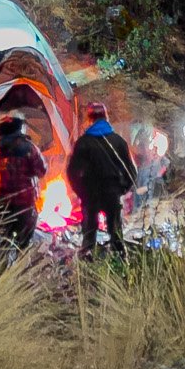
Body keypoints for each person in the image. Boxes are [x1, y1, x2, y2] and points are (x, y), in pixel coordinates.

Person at [67, 102, 136, 263]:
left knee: (89, 234)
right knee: (115, 233)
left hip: (90, 194)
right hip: (112, 192)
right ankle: (121, 263)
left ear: (89, 119)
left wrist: (80, 191)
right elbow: (131, 170)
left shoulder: (83, 142)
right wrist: (123, 189)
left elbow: (72, 171)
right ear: (106, 117)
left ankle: (86, 265)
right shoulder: (118, 141)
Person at [0, 114, 47, 253]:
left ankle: (0, 271)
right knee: (24, 243)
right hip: (24, 202)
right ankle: (20, 270)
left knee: (4, 239)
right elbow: (41, 171)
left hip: (1, 202)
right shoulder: (28, 148)